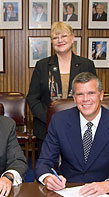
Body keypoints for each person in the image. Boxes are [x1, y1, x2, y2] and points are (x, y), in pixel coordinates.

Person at [35, 72, 109, 196]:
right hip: (67, 190)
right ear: (74, 98)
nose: (85, 99)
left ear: (101, 95)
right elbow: (44, 162)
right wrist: (48, 178)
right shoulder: (59, 121)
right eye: (80, 94)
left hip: (103, 193)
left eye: (91, 93)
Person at [27, 22, 96, 154]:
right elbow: (33, 98)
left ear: (72, 38)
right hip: (47, 128)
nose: (60, 40)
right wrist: (50, 118)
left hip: (78, 127)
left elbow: (93, 96)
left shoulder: (86, 65)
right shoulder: (42, 66)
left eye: (64, 36)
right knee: (48, 170)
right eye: (55, 37)